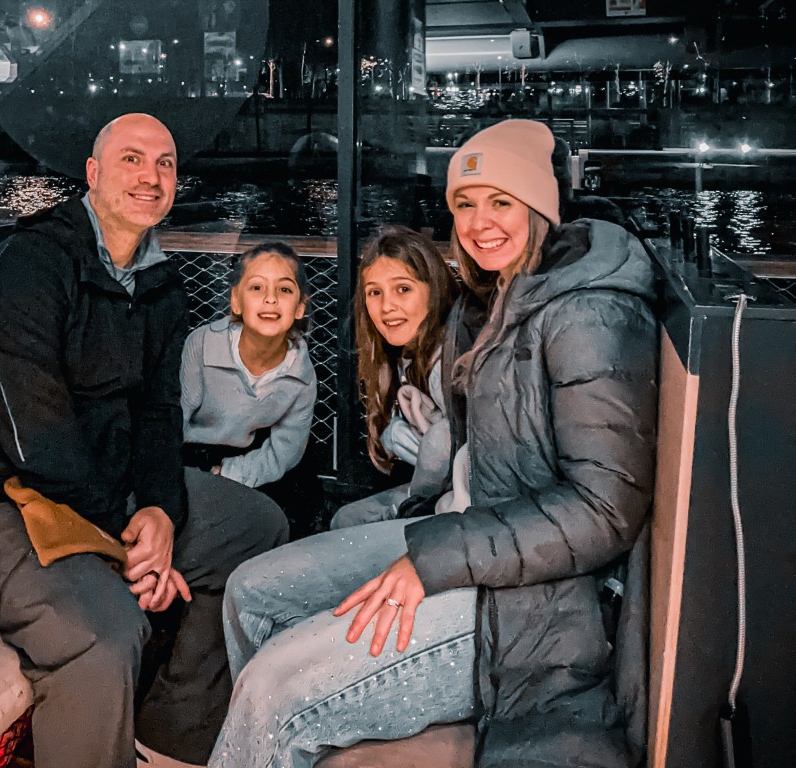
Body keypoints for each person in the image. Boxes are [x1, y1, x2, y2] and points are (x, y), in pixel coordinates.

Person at [209, 119, 657, 768]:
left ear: (540, 206)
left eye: (501, 201)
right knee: (253, 591)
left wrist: (437, 555)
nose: (479, 223)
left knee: (275, 687)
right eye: (465, 205)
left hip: (539, 602)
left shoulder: (588, 314)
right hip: (467, 532)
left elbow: (602, 513)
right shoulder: (501, 296)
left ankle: (280, 720)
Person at [0, 113, 288, 768]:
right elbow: (34, 437)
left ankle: (172, 730)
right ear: (92, 174)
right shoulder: (28, 265)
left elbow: (158, 415)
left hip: (107, 491)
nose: (150, 176)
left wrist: (160, 511)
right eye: (131, 159)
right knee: (105, 633)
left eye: (166, 163)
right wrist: (133, 536)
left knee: (256, 528)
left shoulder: (160, 286)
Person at [180, 242, 320, 537]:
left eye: (284, 290)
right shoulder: (202, 345)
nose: (270, 299)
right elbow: (172, 420)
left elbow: (285, 451)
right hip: (191, 452)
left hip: (248, 455)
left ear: (299, 307)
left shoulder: (302, 375)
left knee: (299, 501)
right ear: (236, 301)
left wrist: (228, 475)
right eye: (256, 288)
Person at [328, 226, 457, 529]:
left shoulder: (447, 359)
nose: (387, 306)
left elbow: (443, 443)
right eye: (375, 292)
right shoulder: (405, 356)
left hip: (456, 508)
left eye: (403, 289)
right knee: (345, 521)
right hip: (435, 493)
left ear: (433, 289)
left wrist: (411, 504)